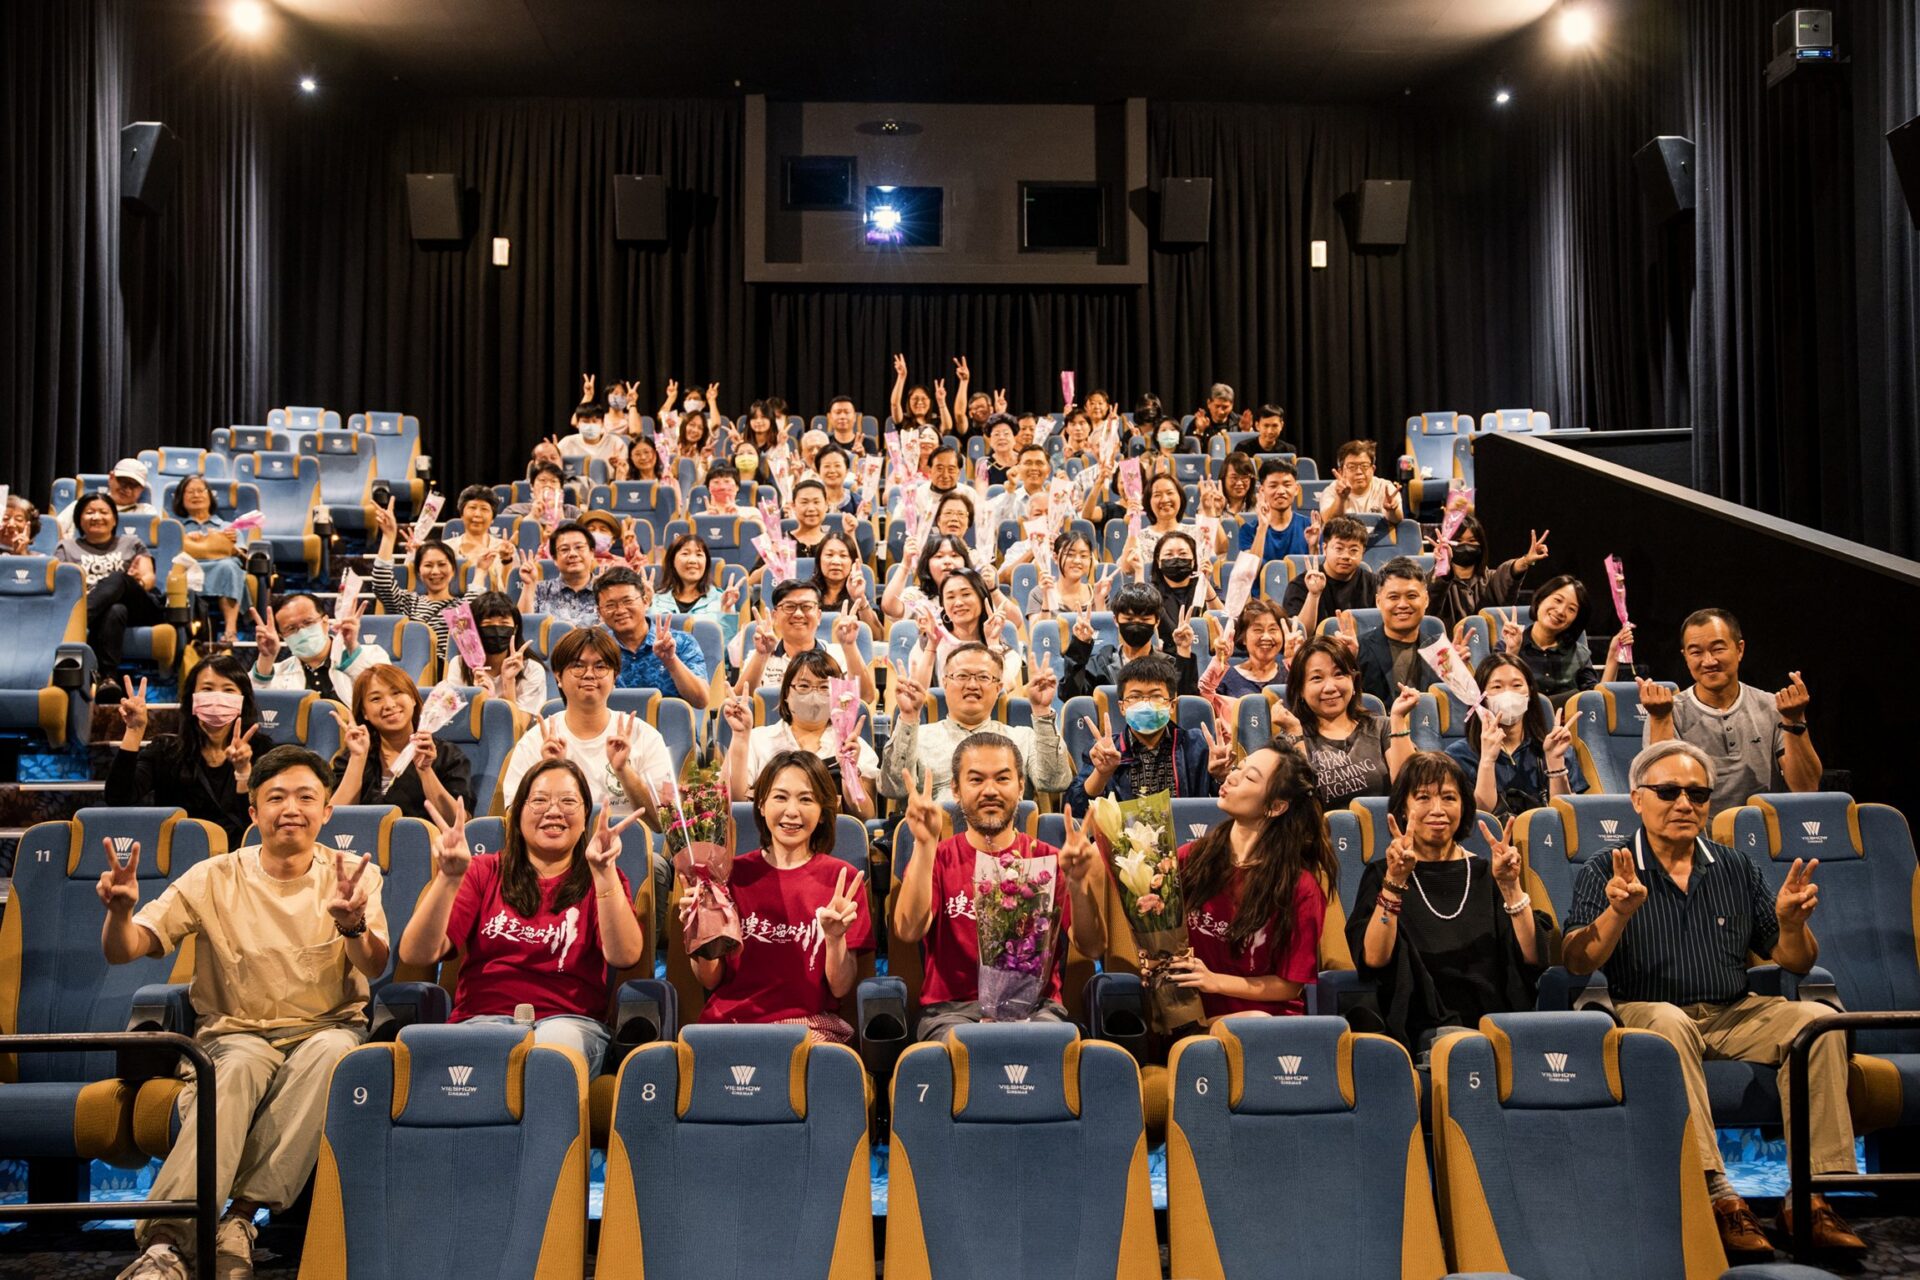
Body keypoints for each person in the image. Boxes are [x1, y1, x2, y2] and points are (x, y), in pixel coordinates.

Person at [1561, 740, 1864, 1258]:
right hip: (1645, 1011)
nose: (1685, 803)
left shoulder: (1734, 867)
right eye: (1669, 791)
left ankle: (1808, 1198)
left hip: (1733, 1010)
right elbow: (1575, 961)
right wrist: (1618, 913)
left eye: (1698, 794)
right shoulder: (1606, 869)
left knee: (1816, 1021)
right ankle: (1720, 1197)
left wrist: (1792, 923)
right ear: (1637, 799)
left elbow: (1794, 961)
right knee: (1670, 1021)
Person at [100, 747, 387, 1280]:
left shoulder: (352, 876)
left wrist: (352, 925)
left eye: (307, 797)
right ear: (253, 811)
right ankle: (166, 1243)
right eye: (275, 797)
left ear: (327, 811)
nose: (291, 809)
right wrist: (120, 913)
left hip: (326, 1029)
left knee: (331, 1056)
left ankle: (239, 1218)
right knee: (232, 1070)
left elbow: (375, 963)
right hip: (235, 1034)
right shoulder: (212, 876)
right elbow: (127, 948)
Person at [397, 760, 643, 1077]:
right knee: (482, 1051)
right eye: (539, 800)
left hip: (569, 1024)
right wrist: (448, 877)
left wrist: (604, 873)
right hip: (481, 1020)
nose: (553, 811)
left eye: (568, 801)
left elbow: (626, 956)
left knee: (550, 1051)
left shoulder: (603, 876)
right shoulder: (483, 871)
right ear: (518, 813)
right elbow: (415, 954)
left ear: (585, 818)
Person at [892, 733, 1107, 1038]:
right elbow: (908, 930)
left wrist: (1079, 885)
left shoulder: (1050, 861)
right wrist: (925, 843)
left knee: (1054, 1048)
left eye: (1002, 779)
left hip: (1036, 1012)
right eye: (976, 780)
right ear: (955, 789)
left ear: (1020, 786)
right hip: (952, 1013)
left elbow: (1093, 946)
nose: (990, 790)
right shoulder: (938, 857)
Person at [1348, 752, 1549, 1055]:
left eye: (1449, 797)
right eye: (1424, 797)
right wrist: (1395, 882)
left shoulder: (1489, 872)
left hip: (1501, 1025)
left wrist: (1510, 887)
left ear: (1464, 806)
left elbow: (1534, 957)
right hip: (1426, 1030)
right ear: (1404, 807)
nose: (1438, 810)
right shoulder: (1383, 873)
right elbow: (1374, 958)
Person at [689, 751, 872, 1040]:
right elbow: (711, 978)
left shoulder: (844, 880)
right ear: (761, 804)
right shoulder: (729, 876)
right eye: (780, 797)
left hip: (807, 1026)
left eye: (806, 799)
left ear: (825, 811)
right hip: (732, 1023)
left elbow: (840, 988)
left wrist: (835, 938)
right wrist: (699, 927)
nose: (791, 811)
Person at [1168, 746, 1333, 1019]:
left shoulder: (1299, 887)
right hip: (1190, 1019)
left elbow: (1289, 986)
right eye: (1237, 768)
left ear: (1275, 807)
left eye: (1250, 778)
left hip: (1262, 1024)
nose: (1232, 777)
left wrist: (1215, 981)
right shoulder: (1191, 858)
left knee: (1255, 1020)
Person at [1641, 607, 1821, 816]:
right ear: (1685, 657)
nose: (1708, 661)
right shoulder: (1669, 712)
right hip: (1700, 839)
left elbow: (1807, 788)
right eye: (1696, 652)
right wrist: (1661, 718)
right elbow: (1664, 794)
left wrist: (1794, 720)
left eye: (1718, 649)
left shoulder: (1773, 707)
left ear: (1739, 649)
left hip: (1767, 833)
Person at [500, 628, 670, 819]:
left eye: (600, 666)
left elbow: (662, 821)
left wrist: (623, 771)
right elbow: (514, 817)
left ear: (614, 677)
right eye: (578, 666)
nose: (589, 674)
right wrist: (550, 770)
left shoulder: (645, 736)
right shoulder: (536, 740)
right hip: (558, 847)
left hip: (629, 845)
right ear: (558, 677)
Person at [106, 655, 268, 845]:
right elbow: (118, 798)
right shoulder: (165, 751)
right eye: (207, 689)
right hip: (179, 859)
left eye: (228, 690)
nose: (217, 697)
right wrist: (134, 731)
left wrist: (243, 773)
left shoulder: (263, 752)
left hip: (238, 861)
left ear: (242, 700)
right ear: (192, 698)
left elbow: (258, 824)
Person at [881, 642, 1069, 803]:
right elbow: (893, 789)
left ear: (998, 688)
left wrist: (1042, 711)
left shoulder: (1022, 737)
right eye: (962, 676)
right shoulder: (919, 737)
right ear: (945, 683)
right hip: (935, 839)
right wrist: (909, 715)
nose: (972, 685)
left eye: (983, 677)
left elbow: (1055, 782)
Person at [722, 650, 879, 819]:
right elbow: (733, 803)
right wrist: (740, 736)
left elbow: (865, 817)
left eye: (824, 687)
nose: (814, 694)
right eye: (804, 686)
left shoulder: (853, 746)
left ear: (837, 696)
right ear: (786, 693)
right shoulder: (758, 740)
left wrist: (849, 770)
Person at [1065, 654, 1231, 813]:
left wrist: (1222, 777)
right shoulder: (1105, 750)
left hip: (1186, 837)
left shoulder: (1196, 745)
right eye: (1135, 697)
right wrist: (1101, 774)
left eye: (1156, 696)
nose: (1145, 704)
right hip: (1125, 840)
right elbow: (1075, 808)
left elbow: (1229, 802)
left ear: (1171, 705)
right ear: (1122, 707)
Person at [1273, 637, 1417, 806]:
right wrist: (1296, 736)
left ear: (1353, 681)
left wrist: (1398, 719)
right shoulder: (1288, 740)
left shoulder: (1382, 727)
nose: (1330, 687)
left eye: (1339, 674)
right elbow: (1302, 805)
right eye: (1317, 678)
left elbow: (1411, 790)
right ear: (1301, 691)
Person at [331, 665, 475, 821]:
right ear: (364, 712)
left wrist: (426, 771)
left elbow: (459, 822)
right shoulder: (351, 757)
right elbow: (333, 821)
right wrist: (358, 758)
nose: (389, 704)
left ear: (413, 698)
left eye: (396, 692)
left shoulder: (447, 755)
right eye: (376, 699)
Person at [56, 494, 164, 697]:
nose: (96, 516)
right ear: (79, 519)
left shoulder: (131, 542)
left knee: (118, 579)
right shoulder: (66, 548)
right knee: (115, 609)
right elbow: (61, 585)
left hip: (138, 607)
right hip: (110, 613)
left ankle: (74, 624)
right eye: (89, 512)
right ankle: (108, 679)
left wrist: (130, 582)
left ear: (114, 519)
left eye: (103, 512)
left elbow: (148, 579)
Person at [1446, 654, 1580, 817]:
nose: (1508, 694)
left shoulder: (1556, 748)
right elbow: (1478, 818)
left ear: (1529, 692)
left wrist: (1555, 764)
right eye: (1497, 687)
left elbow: (1565, 816)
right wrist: (1487, 761)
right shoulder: (1459, 755)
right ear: (1481, 696)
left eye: (1517, 685)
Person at [370, 499, 482, 660]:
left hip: (448, 673)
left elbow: (476, 593)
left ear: (452, 570)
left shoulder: (462, 605)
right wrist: (388, 537)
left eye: (442, 564)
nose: (435, 571)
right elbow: (382, 584)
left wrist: (482, 571)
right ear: (418, 571)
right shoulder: (408, 602)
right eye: (428, 565)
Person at [1496, 573, 1630, 705]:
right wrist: (1512, 653)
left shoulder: (1579, 655)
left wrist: (1613, 656)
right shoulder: (1506, 647)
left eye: (1571, 609)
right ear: (1542, 598)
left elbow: (1597, 704)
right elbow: (1499, 700)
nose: (1560, 611)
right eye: (1558, 600)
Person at [741, 579, 877, 704]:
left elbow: (865, 698)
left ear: (818, 616)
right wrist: (762, 655)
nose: (798, 614)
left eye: (806, 606)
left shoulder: (838, 655)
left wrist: (849, 646)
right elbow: (739, 701)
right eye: (789, 606)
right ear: (775, 616)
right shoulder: (759, 656)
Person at [1060, 581, 1201, 701]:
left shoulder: (1169, 664)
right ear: (1116, 620)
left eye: (1145, 620)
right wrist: (1079, 646)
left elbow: (1185, 706)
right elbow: (1071, 696)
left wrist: (1184, 651)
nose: (1136, 625)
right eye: (1129, 619)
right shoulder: (1100, 664)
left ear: (1157, 621)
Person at [594, 567, 711, 709]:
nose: (620, 610)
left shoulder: (681, 642)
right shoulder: (597, 651)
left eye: (628, 601)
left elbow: (701, 701)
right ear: (600, 612)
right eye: (610, 605)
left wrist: (671, 661)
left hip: (668, 729)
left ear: (646, 601)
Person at [249, 591, 389, 704]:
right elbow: (258, 707)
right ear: (281, 635)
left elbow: (384, 694)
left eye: (308, 622)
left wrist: (352, 647)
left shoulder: (372, 655)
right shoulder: (277, 673)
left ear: (325, 621)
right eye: (291, 628)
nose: (302, 632)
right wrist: (266, 658)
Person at [1429, 512, 1547, 632]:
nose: (1465, 545)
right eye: (1458, 540)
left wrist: (1525, 560)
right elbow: (1431, 599)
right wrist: (1443, 568)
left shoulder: (1491, 578)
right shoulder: (1436, 581)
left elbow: (1508, 574)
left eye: (1472, 540)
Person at [1350, 557, 1441, 708]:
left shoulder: (1440, 654)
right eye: (1393, 597)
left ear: (1426, 600)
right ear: (1378, 602)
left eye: (1412, 596)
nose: (1403, 605)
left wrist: (1460, 672)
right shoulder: (1357, 651)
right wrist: (1347, 663)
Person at [170, 475, 248, 647]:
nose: (196, 495)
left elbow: (243, 559)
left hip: (222, 568)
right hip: (188, 569)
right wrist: (186, 538)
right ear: (181, 499)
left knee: (230, 566)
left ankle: (230, 630)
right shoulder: (175, 528)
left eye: (200, 491)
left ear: (210, 496)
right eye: (190, 492)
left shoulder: (228, 527)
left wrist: (232, 545)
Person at [443, 591, 550, 716]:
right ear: (474, 630)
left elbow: (518, 728)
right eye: (487, 624)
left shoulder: (532, 669)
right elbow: (453, 717)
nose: (496, 629)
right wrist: (477, 695)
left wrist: (508, 682)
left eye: (504, 624)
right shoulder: (459, 664)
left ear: (515, 628)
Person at [934, 567, 1026, 692]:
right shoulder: (933, 645)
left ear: (982, 598)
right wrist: (929, 647)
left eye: (966, 594)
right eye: (950, 597)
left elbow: (1004, 688)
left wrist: (993, 643)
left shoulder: (1006, 653)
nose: (958, 602)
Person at [1281, 516, 1378, 635]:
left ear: (1362, 552)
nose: (1346, 556)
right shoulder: (1300, 585)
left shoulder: (1373, 583)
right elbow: (1299, 634)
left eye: (1353, 550)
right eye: (1339, 548)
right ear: (1325, 548)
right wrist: (1313, 595)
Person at [515, 521, 602, 630]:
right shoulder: (541, 590)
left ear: (592, 553)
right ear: (555, 558)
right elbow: (523, 629)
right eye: (564, 549)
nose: (573, 554)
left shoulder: (604, 590)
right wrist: (529, 585)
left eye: (579, 547)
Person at [1201, 599, 1294, 698]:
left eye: (1273, 629)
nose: (1266, 637)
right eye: (1258, 630)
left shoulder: (1291, 675)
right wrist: (1219, 660)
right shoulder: (1225, 678)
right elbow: (1203, 705)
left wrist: (1293, 660)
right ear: (1243, 637)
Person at [55, 457, 159, 536]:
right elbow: (53, 531)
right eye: (123, 482)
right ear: (111, 478)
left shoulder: (147, 513)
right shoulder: (82, 505)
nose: (127, 489)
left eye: (134, 485)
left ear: (141, 489)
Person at [1235, 458, 1315, 560]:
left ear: (1296, 489)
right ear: (1262, 490)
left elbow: (1317, 570)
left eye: (1287, 485)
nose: (1281, 491)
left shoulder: (1310, 527)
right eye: (1273, 486)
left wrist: (1314, 547)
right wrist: (1262, 528)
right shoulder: (1248, 530)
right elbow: (1250, 573)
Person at [810, 530, 883, 636]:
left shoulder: (858, 594)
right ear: (819, 560)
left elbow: (877, 637)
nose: (835, 561)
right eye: (829, 555)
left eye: (843, 556)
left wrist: (860, 600)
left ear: (852, 562)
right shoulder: (807, 593)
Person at [1318, 440, 1403, 523]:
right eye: (1352, 467)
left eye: (1364, 466)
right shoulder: (1331, 491)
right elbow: (1329, 522)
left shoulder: (1385, 488)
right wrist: (1341, 499)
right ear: (1341, 472)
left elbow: (1397, 520)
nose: (1359, 472)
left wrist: (1391, 510)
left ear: (1373, 469)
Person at [448, 484, 517, 579]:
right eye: (472, 508)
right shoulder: (446, 548)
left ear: (493, 518)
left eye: (484, 509)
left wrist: (506, 560)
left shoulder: (506, 549)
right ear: (461, 514)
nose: (477, 514)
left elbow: (511, 589)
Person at [500, 460, 581, 527]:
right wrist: (532, 516)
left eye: (553, 481)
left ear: (561, 488)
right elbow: (507, 533)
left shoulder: (572, 512)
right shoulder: (514, 510)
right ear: (532, 486)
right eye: (542, 480)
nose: (548, 485)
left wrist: (561, 517)